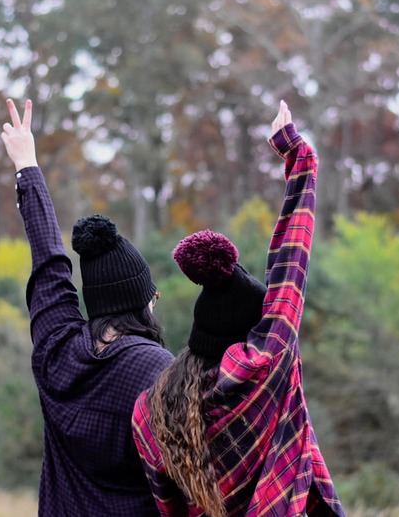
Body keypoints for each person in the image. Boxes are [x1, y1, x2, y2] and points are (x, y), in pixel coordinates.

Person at [132, 101, 345, 516]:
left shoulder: (151, 409)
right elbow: (291, 263)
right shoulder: (264, 364)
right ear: (254, 325)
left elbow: (168, 508)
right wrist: (299, 159)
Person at [1, 98, 175, 516]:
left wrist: (28, 165)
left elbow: (48, 260)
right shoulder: (157, 369)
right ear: (140, 302)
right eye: (151, 295)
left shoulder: (58, 350)